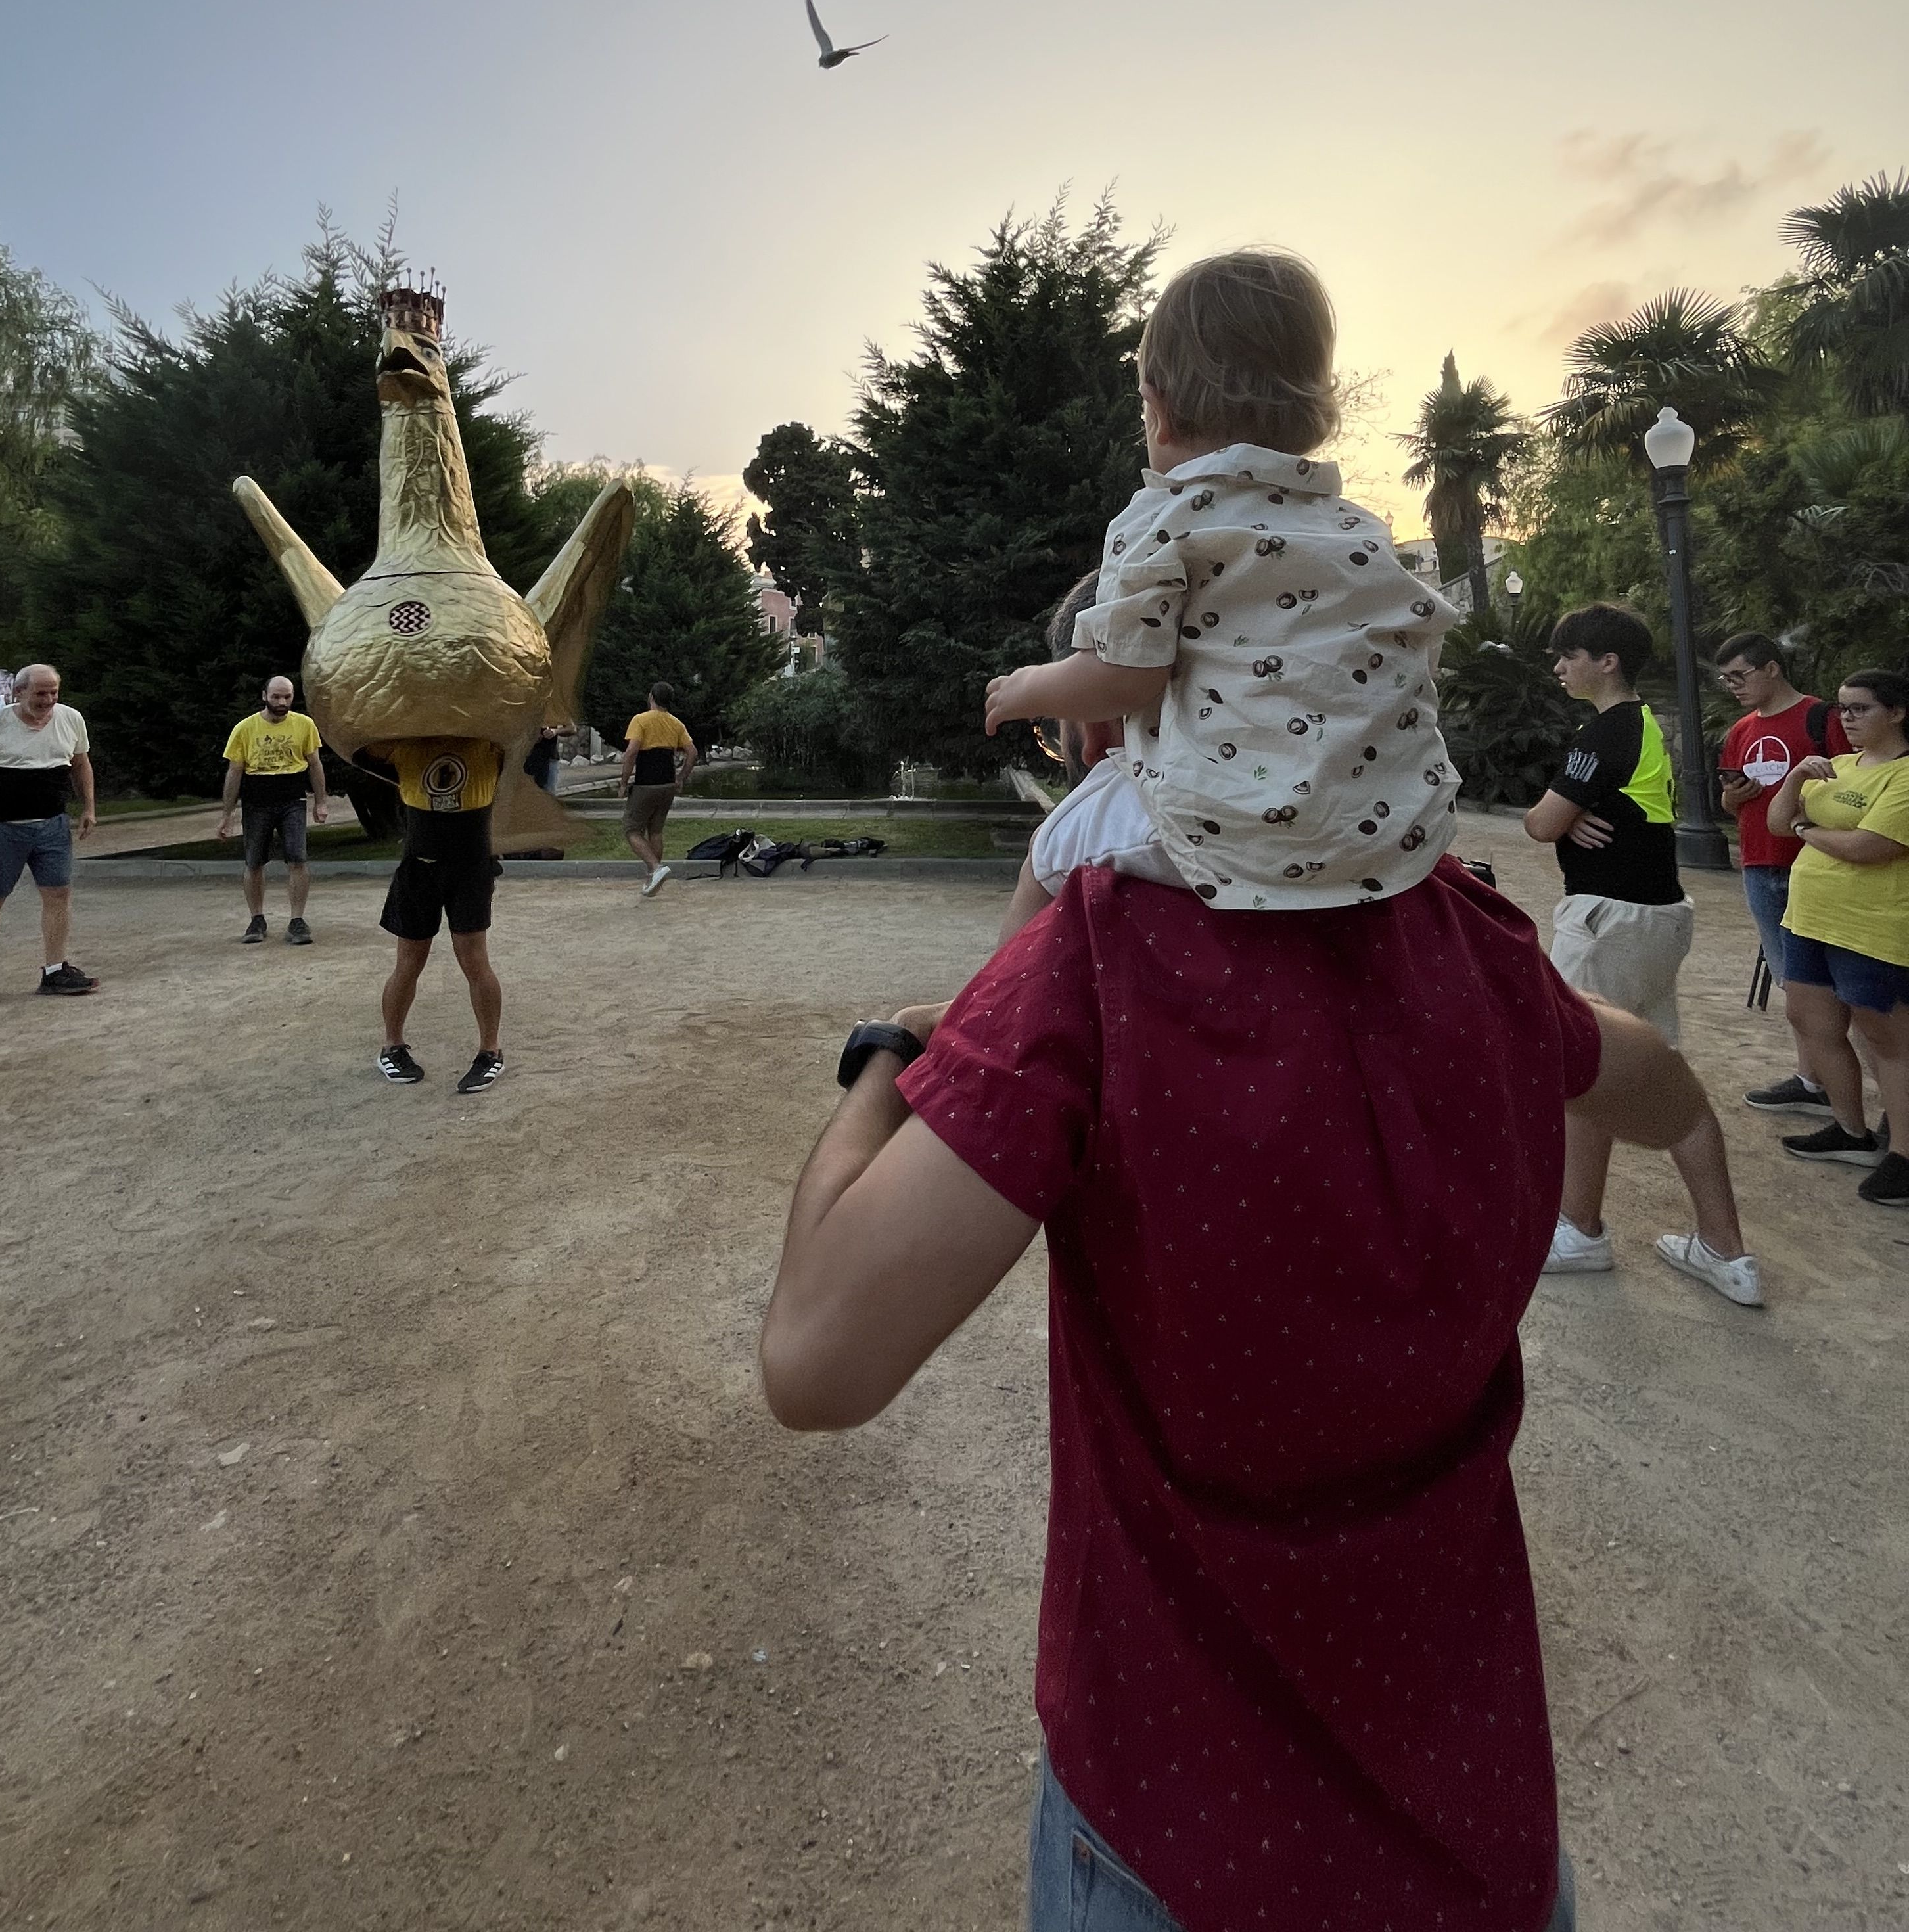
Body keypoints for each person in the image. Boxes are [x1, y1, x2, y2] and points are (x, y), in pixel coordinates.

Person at [756, 804, 1767, 1931]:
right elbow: (1651, 1081)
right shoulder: (1470, 938)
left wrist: (890, 1055)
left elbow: (814, 1366)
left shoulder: (1093, 961)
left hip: (1175, 1825)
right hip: (1474, 1825)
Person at [984, 250, 1458, 911]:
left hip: (1234, 828)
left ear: (1158, 409)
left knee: (1051, 853)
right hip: (1391, 831)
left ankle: (992, 1009)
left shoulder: (1162, 520)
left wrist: (1028, 689)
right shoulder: (1358, 532)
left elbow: (1125, 676)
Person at [1523, 603, 1760, 1304]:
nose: (1561, 666)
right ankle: (1723, 1249)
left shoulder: (1603, 731)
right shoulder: (1646, 725)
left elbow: (1540, 823)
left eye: (1569, 654)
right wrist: (1577, 820)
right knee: (1658, 1075)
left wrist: (1564, 821)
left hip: (1608, 922)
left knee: (1581, 1066)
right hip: (1658, 917)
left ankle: (1580, 1229)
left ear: (1607, 662)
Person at [1764, 668, 1909, 1205]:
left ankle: (1905, 1155)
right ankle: (1851, 1131)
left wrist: (1808, 829)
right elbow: (1779, 822)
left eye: (1860, 708)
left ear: (1895, 713)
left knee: (1887, 1040)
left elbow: (1872, 847)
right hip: (1810, 918)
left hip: (1871, 925)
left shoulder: (1904, 775)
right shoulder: (1838, 766)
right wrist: (1796, 778)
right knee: (1809, 1019)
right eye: (1841, 710)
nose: (1846, 719)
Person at [1714, 630, 1849, 1111]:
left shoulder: (1822, 717)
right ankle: (1811, 1080)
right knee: (1793, 979)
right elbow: (1734, 805)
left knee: (1829, 983)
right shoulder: (1740, 731)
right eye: (1725, 678)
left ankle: (1838, 1084)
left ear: (1772, 668)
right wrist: (1734, 797)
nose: (1732, 685)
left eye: (1740, 674)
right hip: (1757, 862)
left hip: (1815, 864)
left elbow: (1853, 783)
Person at [0, 663, 99, 1005]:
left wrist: (88, 808)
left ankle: (55, 970)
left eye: (54, 693)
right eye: (41, 693)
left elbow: (81, 763)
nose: (49, 700)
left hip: (52, 826)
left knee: (59, 894)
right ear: (19, 692)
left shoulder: (71, 719)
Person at [373, 735, 505, 1093]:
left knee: (475, 962)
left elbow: (530, 723)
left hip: (470, 870)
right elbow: (355, 739)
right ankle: (392, 1046)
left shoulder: (490, 746)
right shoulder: (406, 748)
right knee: (409, 962)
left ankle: (490, 1052)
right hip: (419, 871)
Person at [216, 676, 329, 943]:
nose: (282, 702)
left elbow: (314, 763)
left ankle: (297, 920)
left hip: (292, 799)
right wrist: (227, 814)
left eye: (287, 697)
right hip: (257, 801)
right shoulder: (245, 729)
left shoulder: (305, 725)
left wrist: (321, 801)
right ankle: (257, 919)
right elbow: (235, 771)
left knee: (298, 859)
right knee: (254, 861)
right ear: (264, 695)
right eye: (277, 696)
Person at [620, 684, 695, 896]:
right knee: (656, 830)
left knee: (631, 828)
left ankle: (656, 868)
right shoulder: (676, 723)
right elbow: (692, 752)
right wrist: (681, 777)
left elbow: (631, 753)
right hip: (668, 783)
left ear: (651, 696)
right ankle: (653, 878)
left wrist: (624, 782)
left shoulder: (640, 720)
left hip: (647, 782)